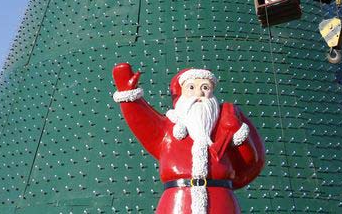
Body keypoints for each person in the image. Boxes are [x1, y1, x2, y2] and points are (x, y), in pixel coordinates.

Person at [111, 63, 265, 214]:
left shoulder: (223, 125)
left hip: (221, 200)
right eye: (191, 88)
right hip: (177, 200)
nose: (199, 94)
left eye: (205, 87)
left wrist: (238, 133)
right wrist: (127, 92)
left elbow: (248, 163)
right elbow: (141, 121)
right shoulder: (167, 129)